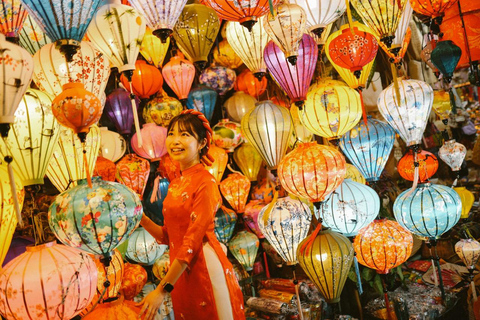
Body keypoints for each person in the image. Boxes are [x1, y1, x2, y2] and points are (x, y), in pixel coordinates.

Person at [137, 110, 246, 320]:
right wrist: (139, 217)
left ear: (202, 143)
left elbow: (192, 241)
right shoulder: (177, 182)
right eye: (172, 134)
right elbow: (167, 237)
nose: (175, 141)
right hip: (180, 271)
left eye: (185, 135)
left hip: (203, 266)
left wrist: (161, 290)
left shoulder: (206, 182)